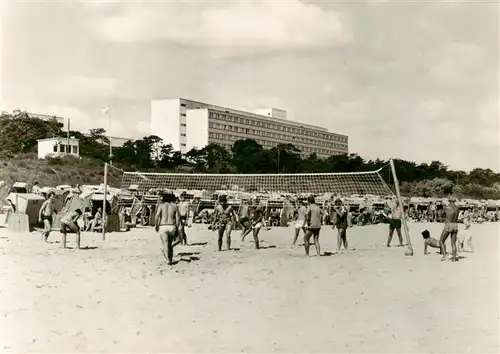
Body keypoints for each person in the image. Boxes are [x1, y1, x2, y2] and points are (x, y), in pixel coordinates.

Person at [155, 192, 180, 265]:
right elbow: (178, 219)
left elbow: (157, 215)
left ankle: (168, 260)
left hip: (163, 225)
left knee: (165, 244)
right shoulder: (175, 206)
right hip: (172, 226)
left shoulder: (161, 205)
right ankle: (171, 260)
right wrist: (177, 227)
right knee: (170, 245)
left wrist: (156, 225)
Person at [439, 196, 460, 262]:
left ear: (449, 200)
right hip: (455, 225)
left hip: (448, 224)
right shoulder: (457, 208)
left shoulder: (447, 207)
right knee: (453, 243)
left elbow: (441, 215)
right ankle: (454, 258)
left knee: (441, 241)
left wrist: (445, 217)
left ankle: (444, 256)